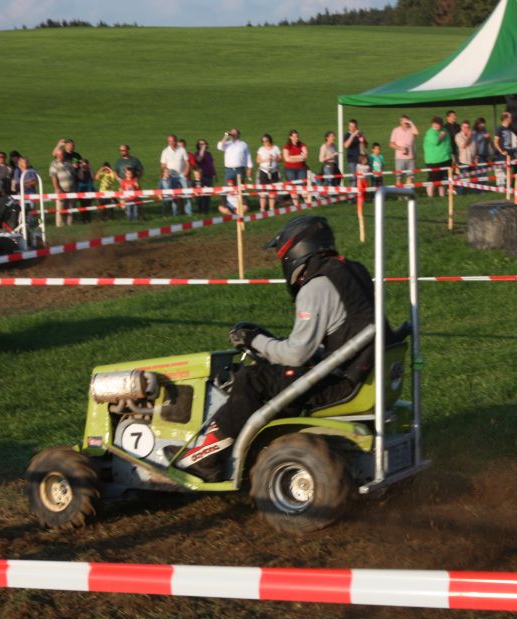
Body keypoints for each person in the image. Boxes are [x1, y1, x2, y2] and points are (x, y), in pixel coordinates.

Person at [165, 215, 393, 482]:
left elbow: (297, 354)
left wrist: (253, 340)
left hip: (341, 383)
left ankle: (207, 457)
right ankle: (261, 442)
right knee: (274, 374)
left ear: (294, 253)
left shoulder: (316, 286)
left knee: (250, 378)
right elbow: (343, 332)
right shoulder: (352, 271)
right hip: (362, 373)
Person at [160, 134, 192, 216]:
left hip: (181, 176)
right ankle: (175, 214)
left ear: (176, 141)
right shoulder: (165, 151)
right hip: (171, 177)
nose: (172, 142)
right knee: (174, 196)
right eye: (170, 141)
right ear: (168, 141)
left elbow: (187, 163)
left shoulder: (182, 150)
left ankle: (189, 213)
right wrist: (166, 175)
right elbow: (163, 165)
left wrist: (185, 174)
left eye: (173, 140)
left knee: (186, 194)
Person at [422, 116, 452, 198]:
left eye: (439, 124)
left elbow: (448, 143)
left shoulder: (445, 130)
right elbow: (436, 142)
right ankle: (430, 195)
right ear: (432, 124)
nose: (437, 126)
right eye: (436, 124)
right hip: (433, 161)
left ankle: (442, 195)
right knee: (433, 179)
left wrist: (450, 154)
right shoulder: (430, 132)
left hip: (445, 158)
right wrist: (442, 135)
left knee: (443, 179)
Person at [49, 146, 75, 227]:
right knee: (60, 209)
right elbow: (53, 177)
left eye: (61, 155)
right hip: (61, 190)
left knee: (70, 208)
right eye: (58, 155)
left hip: (71, 189)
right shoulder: (54, 164)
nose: (60, 156)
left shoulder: (68, 162)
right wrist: (57, 189)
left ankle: (69, 224)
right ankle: (60, 225)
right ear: (56, 155)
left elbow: (73, 174)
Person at [389, 115, 418, 186]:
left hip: (410, 158)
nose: (406, 122)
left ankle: (408, 194)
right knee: (399, 178)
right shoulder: (396, 130)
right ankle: (399, 194)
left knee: (410, 177)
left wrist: (411, 123)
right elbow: (391, 144)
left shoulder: (411, 129)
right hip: (399, 158)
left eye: (407, 121)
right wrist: (400, 148)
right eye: (405, 121)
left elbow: (417, 133)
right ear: (401, 121)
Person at [282, 130, 310, 205]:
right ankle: (296, 205)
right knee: (293, 187)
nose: (295, 138)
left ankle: (307, 203)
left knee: (303, 186)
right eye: (293, 136)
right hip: (290, 169)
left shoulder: (302, 145)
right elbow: (286, 159)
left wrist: (292, 158)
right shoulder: (287, 146)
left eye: (297, 136)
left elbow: (305, 156)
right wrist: (299, 157)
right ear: (290, 137)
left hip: (302, 168)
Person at [257, 133, 281, 212]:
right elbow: (258, 160)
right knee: (263, 189)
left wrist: (274, 158)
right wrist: (265, 160)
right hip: (263, 171)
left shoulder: (276, 148)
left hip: (273, 171)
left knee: (272, 190)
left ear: (270, 140)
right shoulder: (261, 149)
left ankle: (271, 208)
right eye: (263, 141)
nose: (265, 142)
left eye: (266, 141)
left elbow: (280, 159)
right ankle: (262, 208)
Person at [193, 139, 216, 215]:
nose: (203, 145)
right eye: (201, 144)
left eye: (204, 144)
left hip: (209, 176)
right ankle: (201, 210)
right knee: (201, 195)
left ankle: (206, 210)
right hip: (202, 177)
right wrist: (202, 149)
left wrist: (215, 174)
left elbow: (212, 164)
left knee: (208, 194)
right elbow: (199, 159)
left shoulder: (209, 154)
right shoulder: (197, 153)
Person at [343, 119, 367, 184]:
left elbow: (365, 146)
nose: (352, 128)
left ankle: (360, 193)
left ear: (356, 126)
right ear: (348, 127)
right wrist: (353, 135)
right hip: (352, 160)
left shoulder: (360, 134)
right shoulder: (347, 135)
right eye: (351, 126)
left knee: (361, 178)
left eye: (354, 126)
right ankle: (352, 194)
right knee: (353, 178)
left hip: (361, 160)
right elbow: (346, 146)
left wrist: (363, 140)